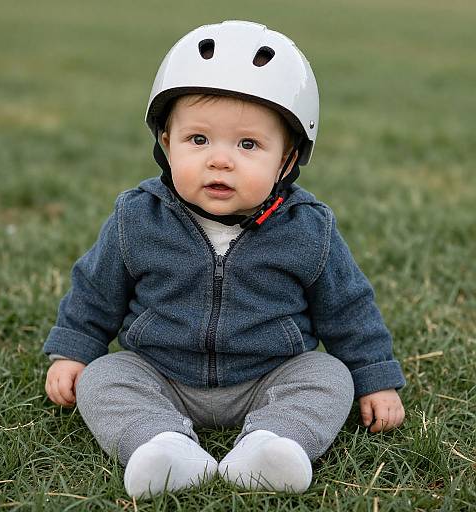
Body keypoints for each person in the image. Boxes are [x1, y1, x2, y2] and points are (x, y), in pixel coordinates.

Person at [43, 20, 406, 499]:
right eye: (198, 140)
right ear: (165, 141)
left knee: (327, 375)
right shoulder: (137, 217)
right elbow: (96, 289)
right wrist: (74, 350)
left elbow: (348, 308)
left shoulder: (308, 228)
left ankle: (272, 444)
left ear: (287, 160)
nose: (220, 160)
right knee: (105, 377)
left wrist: (374, 377)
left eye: (248, 144)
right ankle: (161, 445)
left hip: (267, 376)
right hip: (162, 373)